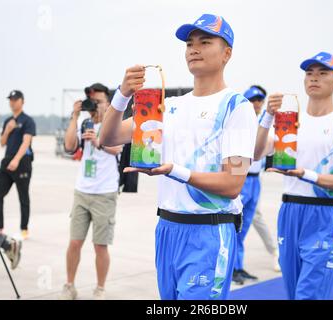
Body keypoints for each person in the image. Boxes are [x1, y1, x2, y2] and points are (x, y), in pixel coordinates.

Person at [100, 14, 257, 300]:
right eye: (189, 44)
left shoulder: (236, 107)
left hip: (209, 231)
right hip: (168, 230)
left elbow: (233, 183)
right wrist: (122, 95)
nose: (194, 49)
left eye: (205, 41)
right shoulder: (167, 107)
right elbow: (108, 138)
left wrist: (175, 170)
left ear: (227, 54)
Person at [254, 52, 333, 300]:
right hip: (290, 212)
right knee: (293, 292)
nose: (314, 78)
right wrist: (267, 116)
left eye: (322, 73)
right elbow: (256, 152)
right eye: (309, 73)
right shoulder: (290, 122)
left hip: (324, 214)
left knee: (309, 295)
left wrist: (306, 174)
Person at [59, 83, 123, 300]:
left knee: (100, 245)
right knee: (75, 241)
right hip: (82, 190)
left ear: (108, 102)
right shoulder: (84, 122)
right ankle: (69, 286)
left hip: (105, 193)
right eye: (91, 102)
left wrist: (98, 142)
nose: (94, 106)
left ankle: (100, 289)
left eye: (98, 101)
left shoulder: (114, 124)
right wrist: (74, 117)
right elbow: (69, 146)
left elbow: (118, 148)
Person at [233, 85, 279, 285]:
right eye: (253, 100)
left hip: (255, 181)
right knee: (234, 226)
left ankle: (238, 267)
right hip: (241, 178)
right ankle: (232, 268)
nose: (257, 104)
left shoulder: (264, 123)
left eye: (260, 100)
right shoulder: (240, 123)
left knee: (244, 228)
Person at [0, 90, 36, 240]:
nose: (12, 102)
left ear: (22, 101)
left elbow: (26, 142)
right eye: (11, 99)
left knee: (23, 197)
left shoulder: (27, 121)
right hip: (7, 161)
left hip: (22, 162)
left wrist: (17, 160)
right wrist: (7, 130)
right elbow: (2, 142)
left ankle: (24, 230)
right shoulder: (8, 121)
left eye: (15, 99)